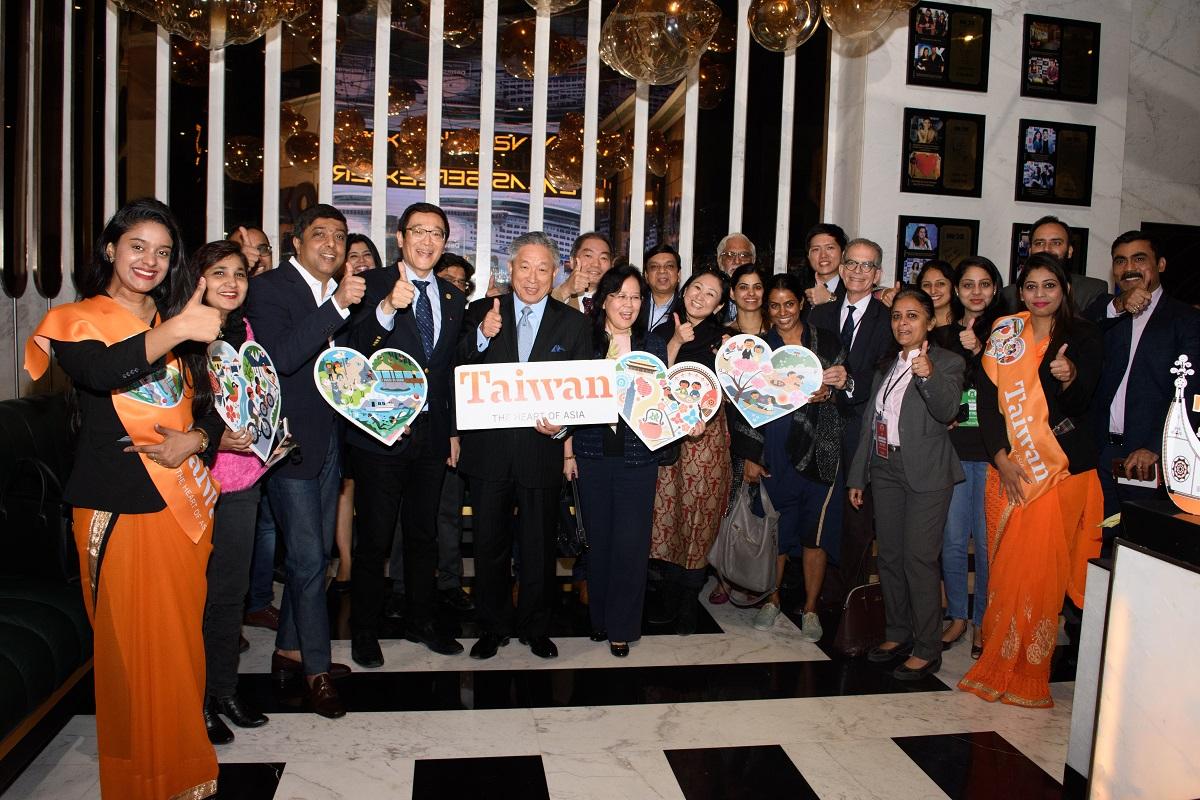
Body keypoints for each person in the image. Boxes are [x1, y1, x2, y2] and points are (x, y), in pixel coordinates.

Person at [25, 198, 226, 798]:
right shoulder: (76, 321)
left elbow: (210, 407)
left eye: (163, 252)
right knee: (132, 654)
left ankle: (185, 772)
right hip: (117, 506)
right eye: (137, 246)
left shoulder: (177, 322)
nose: (150, 261)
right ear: (111, 248)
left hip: (180, 506)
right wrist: (178, 329)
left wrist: (196, 439)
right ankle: (140, 782)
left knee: (180, 645)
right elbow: (102, 373)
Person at [959, 253, 1104, 708]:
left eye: (1049, 286)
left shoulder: (1084, 335)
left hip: (1060, 469)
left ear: (1065, 290)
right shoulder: (1006, 332)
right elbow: (986, 400)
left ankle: (1029, 669)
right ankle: (998, 658)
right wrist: (1001, 457)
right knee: (1006, 565)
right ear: (1020, 292)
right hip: (1010, 467)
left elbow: (1083, 402)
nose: (1040, 295)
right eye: (1031, 287)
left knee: (1044, 570)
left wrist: (1070, 377)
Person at [245, 203, 366, 719]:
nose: (331, 244)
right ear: (296, 242)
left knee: (313, 556)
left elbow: (342, 371)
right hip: (288, 444)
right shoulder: (270, 289)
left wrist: (382, 413)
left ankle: (290, 650)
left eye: (339, 235)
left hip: (329, 441)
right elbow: (280, 358)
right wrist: (337, 305)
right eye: (320, 234)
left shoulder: (337, 294)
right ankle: (317, 670)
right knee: (308, 560)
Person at [457, 231, 592, 660]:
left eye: (542, 269)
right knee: (488, 545)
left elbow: (583, 391)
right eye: (525, 267)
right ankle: (492, 627)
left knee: (538, 547)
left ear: (555, 274)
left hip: (541, 453)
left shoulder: (574, 324)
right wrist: (481, 336)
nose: (532, 278)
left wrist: (564, 427)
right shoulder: (480, 312)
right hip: (489, 454)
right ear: (510, 269)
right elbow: (455, 366)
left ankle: (536, 628)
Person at [344, 202, 466, 667]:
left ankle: (421, 620)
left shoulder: (451, 296)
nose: (427, 241)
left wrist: (451, 430)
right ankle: (364, 630)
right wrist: (386, 309)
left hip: (431, 434)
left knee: (423, 534)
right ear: (400, 237)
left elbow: (447, 367)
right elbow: (353, 351)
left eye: (437, 233)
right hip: (381, 433)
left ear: (444, 242)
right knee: (375, 537)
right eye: (419, 231)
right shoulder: (371, 284)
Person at [169, 241, 276, 745]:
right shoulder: (178, 332)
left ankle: (224, 690)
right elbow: (170, 410)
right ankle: (194, 701)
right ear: (198, 278)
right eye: (219, 272)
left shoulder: (246, 332)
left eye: (240, 273)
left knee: (231, 594)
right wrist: (213, 436)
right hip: (194, 481)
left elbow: (256, 397)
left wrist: (271, 433)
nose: (231, 282)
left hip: (243, 478)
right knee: (194, 598)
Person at [848, 288, 965, 680]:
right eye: (897, 316)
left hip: (927, 472)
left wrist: (928, 374)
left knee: (919, 558)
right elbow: (871, 421)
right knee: (890, 557)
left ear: (929, 321)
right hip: (885, 468)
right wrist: (858, 475)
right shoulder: (887, 365)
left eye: (912, 316)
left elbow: (948, 410)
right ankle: (898, 633)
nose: (903, 323)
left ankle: (928, 648)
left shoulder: (947, 362)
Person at [729, 274, 848, 639]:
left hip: (821, 450)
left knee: (816, 533)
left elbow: (849, 391)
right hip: (773, 451)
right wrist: (751, 455)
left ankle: (810, 609)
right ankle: (772, 599)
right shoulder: (758, 349)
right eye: (775, 305)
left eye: (790, 304)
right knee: (775, 531)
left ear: (802, 303)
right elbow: (743, 406)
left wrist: (832, 392)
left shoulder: (827, 342)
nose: (783, 312)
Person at [564, 266, 669, 657]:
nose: (628, 304)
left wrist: (685, 420)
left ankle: (622, 627)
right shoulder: (584, 339)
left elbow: (662, 403)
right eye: (620, 296)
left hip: (638, 459)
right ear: (604, 300)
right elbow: (568, 399)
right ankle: (600, 619)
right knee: (599, 543)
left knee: (630, 545)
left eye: (636, 297)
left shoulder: (652, 345)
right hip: (591, 455)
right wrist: (568, 451)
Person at [1085, 231, 1200, 551]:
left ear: (1160, 264)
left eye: (1139, 259)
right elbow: (1079, 332)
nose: (1129, 268)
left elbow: (1192, 393)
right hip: (1101, 454)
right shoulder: (1108, 312)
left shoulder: (1186, 320)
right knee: (1101, 541)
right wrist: (1120, 304)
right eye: (1120, 261)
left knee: (1141, 544)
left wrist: (1154, 447)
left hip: (1146, 458)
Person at [808, 239, 897, 594]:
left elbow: (884, 374)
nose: (858, 271)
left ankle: (851, 598)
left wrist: (848, 383)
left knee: (856, 517)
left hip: (862, 430)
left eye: (867, 265)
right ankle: (820, 594)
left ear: (877, 274)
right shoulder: (820, 315)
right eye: (852, 264)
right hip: (819, 427)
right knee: (821, 512)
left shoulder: (888, 320)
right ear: (842, 269)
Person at [649, 269, 734, 634]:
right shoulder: (658, 331)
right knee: (665, 518)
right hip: (666, 437)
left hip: (706, 440)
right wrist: (675, 342)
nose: (700, 295)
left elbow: (736, 392)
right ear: (685, 290)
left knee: (700, 517)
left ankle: (688, 601)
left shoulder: (725, 341)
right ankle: (667, 595)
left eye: (710, 293)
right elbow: (652, 382)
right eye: (696, 287)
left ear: (719, 305)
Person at [938, 256, 1007, 658]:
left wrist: (981, 350)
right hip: (952, 450)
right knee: (951, 539)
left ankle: (983, 619)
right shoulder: (944, 335)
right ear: (957, 290)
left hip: (992, 453)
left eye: (984, 284)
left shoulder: (1008, 331)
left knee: (985, 543)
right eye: (968, 284)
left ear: (995, 289)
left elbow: (1007, 387)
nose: (976, 292)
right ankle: (957, 616)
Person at [332, 232, 383, 592]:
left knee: (376, 497)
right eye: (353, 255)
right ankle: (346, 561)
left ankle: (372, 565)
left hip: (381, 408)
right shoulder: (335, 301)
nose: (362, 261)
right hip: (343, 405)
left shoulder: (393, 296)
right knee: (345, 485)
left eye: (367, 255)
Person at [430, 250, 477, 612]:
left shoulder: (471, 324)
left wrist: (455, 432)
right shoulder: (417, 317)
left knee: (449, 512)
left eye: (462, 283)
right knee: (407, 516)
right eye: (449, 280)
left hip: (459, 434)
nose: (456, 288)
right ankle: (402, 586)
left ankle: (449, 582)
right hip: (419, 430)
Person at [1001, 216, 1107, 313]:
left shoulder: (1092, 290)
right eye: (1039, 243)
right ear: (1030, 251)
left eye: (1056, 243)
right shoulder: (1009, 295)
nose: (1047, 249)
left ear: (1070, 251)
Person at [551, 231, 613, 312]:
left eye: (603, 258)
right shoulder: (552, 295)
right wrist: (566, 289)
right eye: (588, 256)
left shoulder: (618, 301)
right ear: (572, 261)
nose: (596, 264)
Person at [801, 223, 848, 308]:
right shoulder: (799, 292)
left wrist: (830, 298)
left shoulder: (853, 290)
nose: (823, 255)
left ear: (843, 253)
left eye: (830, 248)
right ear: (808, 256)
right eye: (816, 249)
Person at [641, 242, 682, 336]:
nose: (662, 271)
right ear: (646, 276)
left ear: (678, 275)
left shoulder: (687, 310)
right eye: (654, 266)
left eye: (669, 266)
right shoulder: (635, 305)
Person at [915, 260, 960, 328]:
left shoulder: (967, 321)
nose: (933, 291)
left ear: (954, 287)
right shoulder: (913, 324)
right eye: (926, 285)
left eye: (940, 284)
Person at [728, 265, 770, 336]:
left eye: (757, 287)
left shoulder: (778, 330)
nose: (751, 293)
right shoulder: (722, 334)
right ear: (732, 293)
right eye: (744, 287)